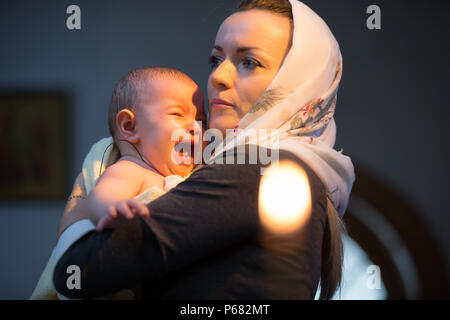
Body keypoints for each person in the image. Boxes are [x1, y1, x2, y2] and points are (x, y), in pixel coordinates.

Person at [50, 0, 355, 300]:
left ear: (300, 81)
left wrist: (79, 207)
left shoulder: (257, 171)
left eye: (249, 62)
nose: (217, 77)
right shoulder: (287, 171)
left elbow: (78, 272)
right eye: (216, 60)